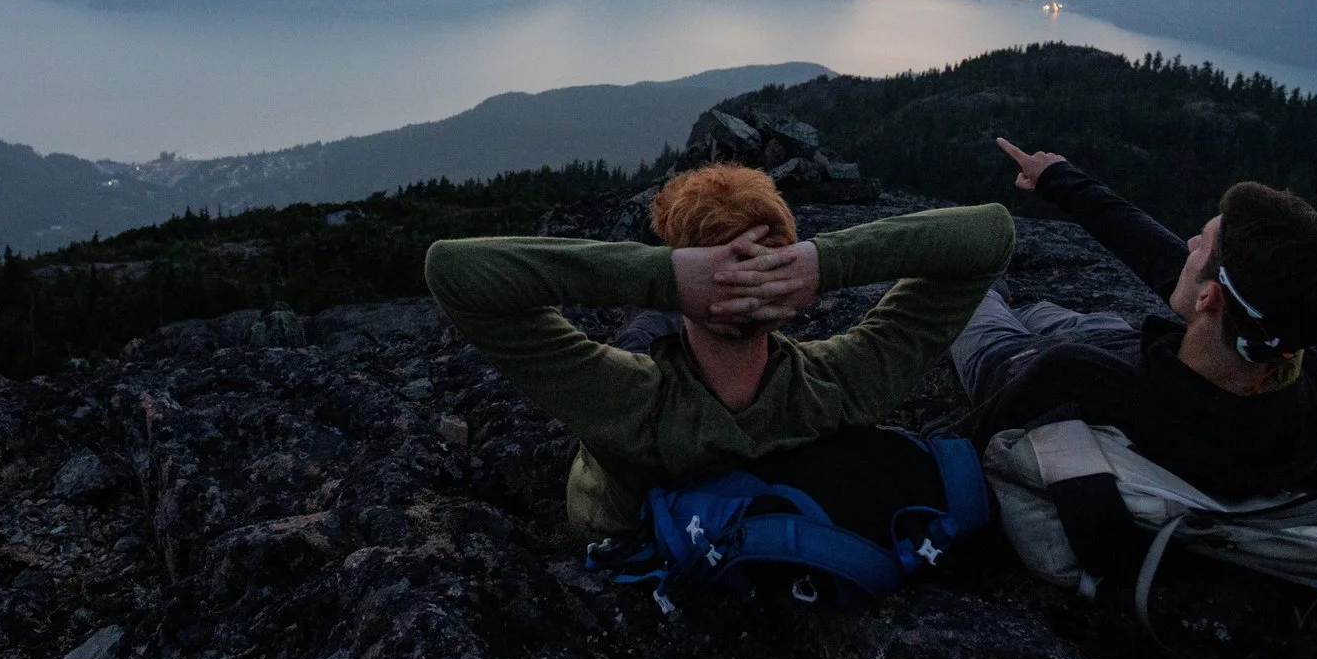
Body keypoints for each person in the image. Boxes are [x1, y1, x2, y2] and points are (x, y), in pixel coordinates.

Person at [425, 164, 1014, 541]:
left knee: (641, 337)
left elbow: (453, 271)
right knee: (651, 335)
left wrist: (668, 279)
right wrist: (822, 264)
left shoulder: (624, 405)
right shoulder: (842, 387)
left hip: (629, 500)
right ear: (789, 301)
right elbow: (990, 235)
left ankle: (666, 314)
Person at [953, 139, 1317, 499]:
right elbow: (1164, 259)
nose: (1188, 242)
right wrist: (1058, 177)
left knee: (965, 294)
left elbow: (954, 446)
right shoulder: (1313, 366)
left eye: (1201, 244)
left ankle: (987, 291)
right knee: (1041, 313)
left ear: (1210, 298)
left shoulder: (1089, 379)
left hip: (1013, 364)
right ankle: (1003, 299)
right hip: (1119, 343)